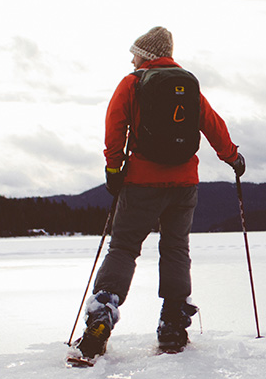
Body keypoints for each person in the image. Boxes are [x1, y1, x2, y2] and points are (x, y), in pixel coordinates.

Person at [74, 26, 245, 357]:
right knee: (176, 248)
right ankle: (172, 324)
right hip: (184, 184)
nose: (132, 58)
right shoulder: (188, 86)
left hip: (142, 182)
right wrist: (232, 157)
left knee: (123, 247)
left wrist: (113, 169)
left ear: (146, 55)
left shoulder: (132, 83)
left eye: (135, 53)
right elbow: (212, 124)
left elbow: (115, 126)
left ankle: (103, 314)